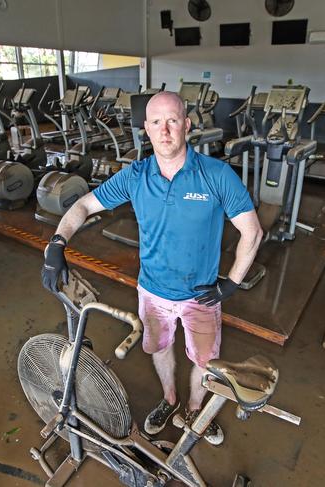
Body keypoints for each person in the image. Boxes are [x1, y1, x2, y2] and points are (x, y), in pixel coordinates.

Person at [41, 91, 262, 445]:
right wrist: (56, 243)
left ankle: (193, 409)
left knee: (204, 360)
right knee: (159, 348)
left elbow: (252, 231)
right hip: (153, 292)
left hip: (202, 295)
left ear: (187, 125)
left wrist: (231, 283)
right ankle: (170, 400)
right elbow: (83, 205)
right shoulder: (136, 176)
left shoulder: (217, 175)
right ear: (146, 128)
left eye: (173, 120)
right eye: (156, 122)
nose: (165, 130)